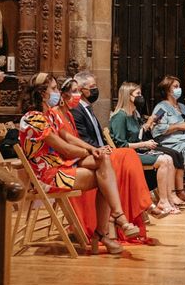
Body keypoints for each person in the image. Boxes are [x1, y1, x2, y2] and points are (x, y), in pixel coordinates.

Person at [18, 72, 140, 255]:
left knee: (104, 163)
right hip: (47, 176)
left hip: (61, 167)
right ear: (42, 93)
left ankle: (114, 222)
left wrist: (93, 150)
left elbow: (68, 137)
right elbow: (65, 149)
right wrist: (91, 150)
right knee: (104, 177)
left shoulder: (50, 114)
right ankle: (106, 230)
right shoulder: (32, 118)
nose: (57, 92)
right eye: (53, 89)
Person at [71, 71, 158, 241]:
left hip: (98, 152)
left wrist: (104, 146)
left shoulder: (87, 109)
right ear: (81, 90)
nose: (96, 90)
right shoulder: (76, 110)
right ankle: (143, 205)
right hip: (88, 156)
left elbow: (97, 136)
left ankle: (137, 207)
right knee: (127, 155)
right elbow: (81, 139)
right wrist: (101, 149)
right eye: (93, 87)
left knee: (128, 155)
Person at [110, 82, 185, 214]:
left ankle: (168, 199)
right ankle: (163, 201)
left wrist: (148, 128)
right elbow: (121, 145)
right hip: (127, 155)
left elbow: (138, 135)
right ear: (128, 96)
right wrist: (144, 144)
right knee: (164, 160)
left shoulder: (133, 114)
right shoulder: (120, 116)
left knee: (169, 159)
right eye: (138, 94)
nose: (141, 97)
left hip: (138, 151)